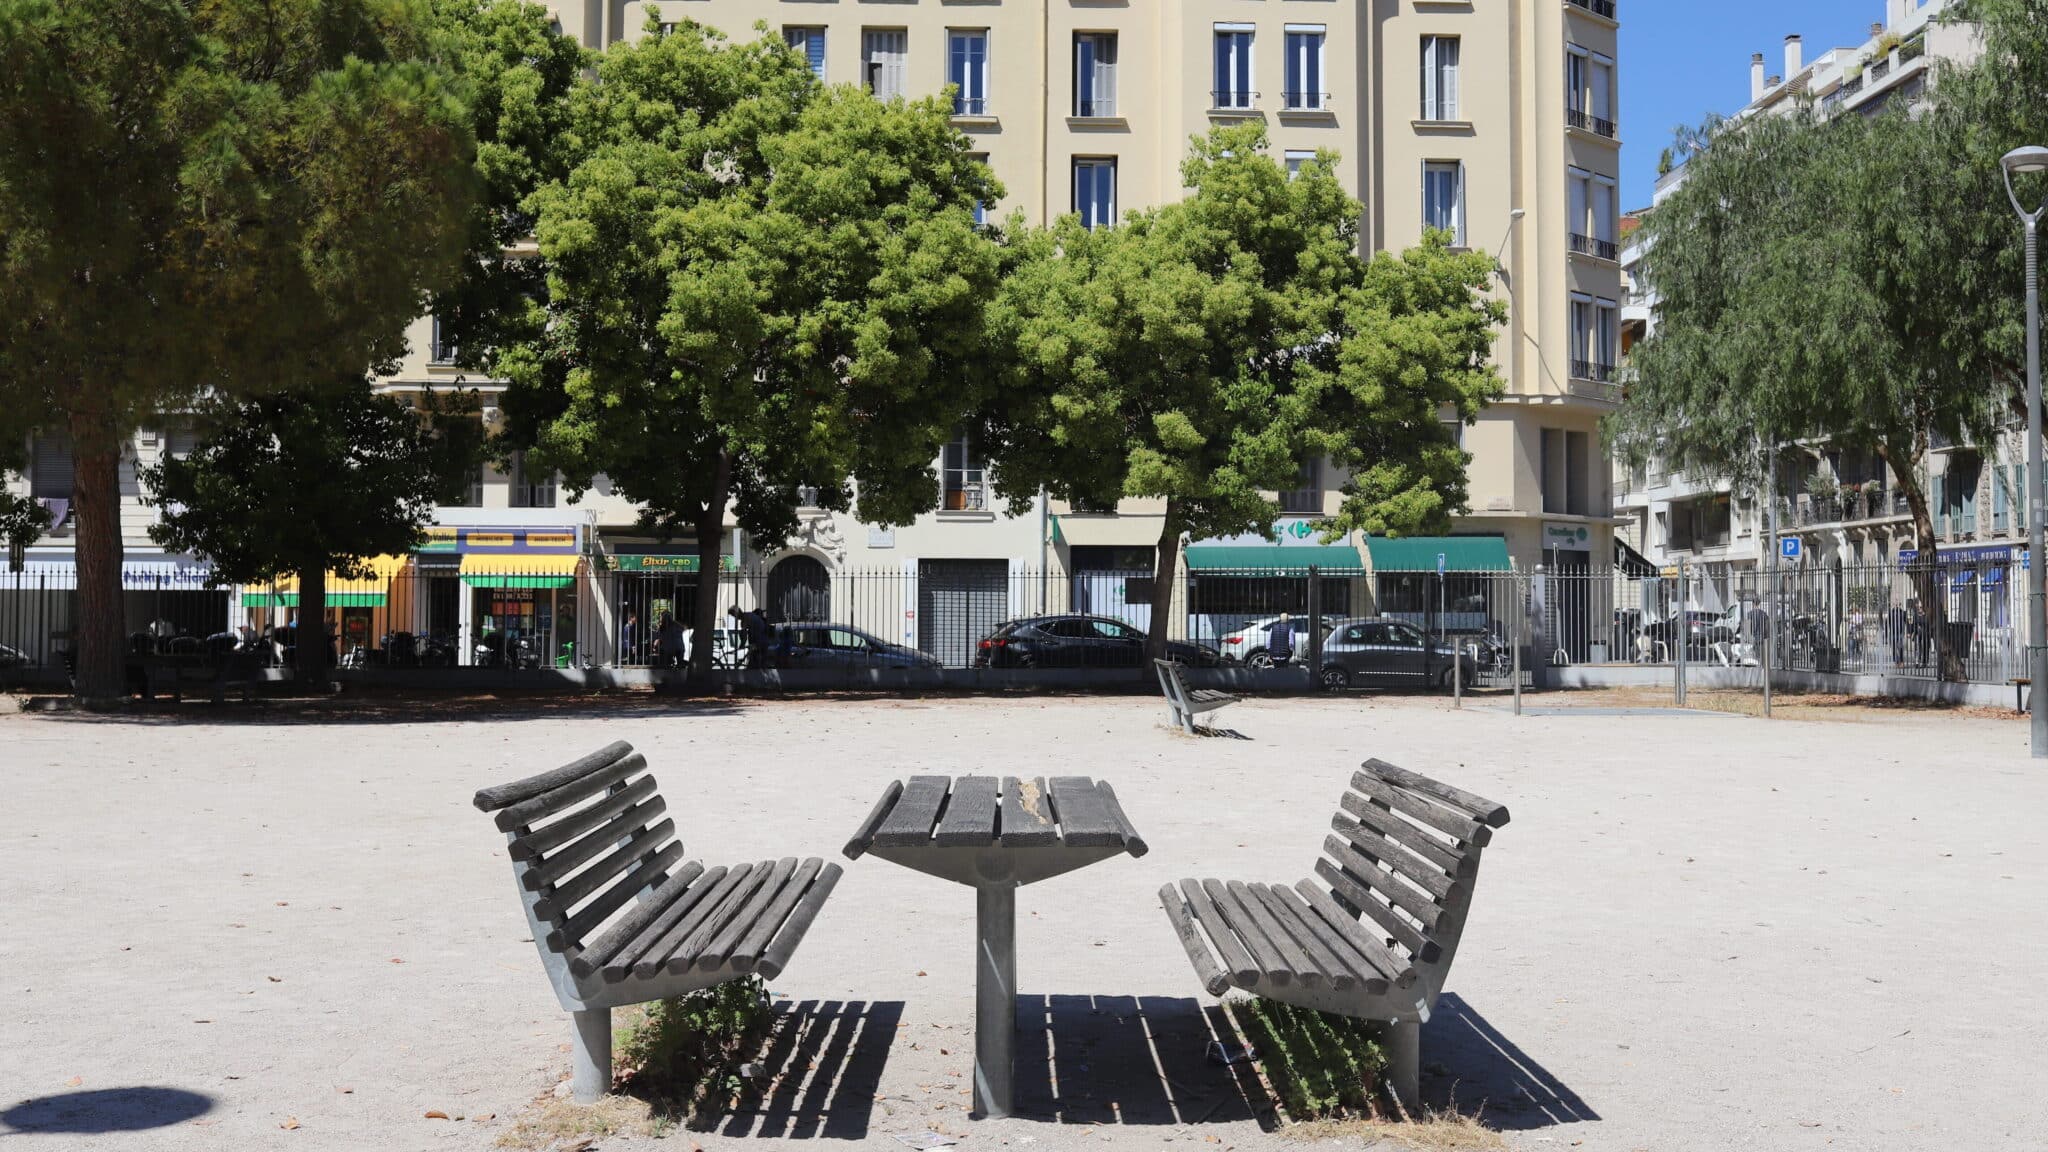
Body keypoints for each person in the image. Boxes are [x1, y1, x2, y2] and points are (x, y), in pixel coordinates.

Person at [730, 604, 774, 669]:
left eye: (733, 615)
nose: (734, 617)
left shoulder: (745, 619)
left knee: (754, 664)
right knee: (758, 664)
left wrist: (742, 645)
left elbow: (744, 634)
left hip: (759, 642)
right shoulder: (749, 615)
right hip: (762, 640)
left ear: (737, 613)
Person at [1886, 600, 1909, 666]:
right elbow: (1887, 623)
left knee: (1900, 647)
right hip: (1892, 633)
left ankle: (1901, 661)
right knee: (1893, 648)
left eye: (1898, 604)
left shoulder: (1903, 612)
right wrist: (1886, 633)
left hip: (1900, 633)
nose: (1896, 606)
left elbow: (1907, 622)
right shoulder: (1890, 613)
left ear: (1900, 605)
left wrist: (1909, 632)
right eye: (1895, 604)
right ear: (1893, 605)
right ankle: (1896, 661)